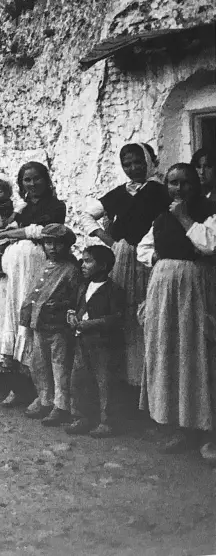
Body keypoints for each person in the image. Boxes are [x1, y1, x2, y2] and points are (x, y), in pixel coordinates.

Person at [137, 163, 216, 463]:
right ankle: (182, 428)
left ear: (195, 185)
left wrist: (184, 219)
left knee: (197, 354)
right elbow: (142, 249)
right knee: (171, 353)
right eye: (172, 183)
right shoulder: (161, 217)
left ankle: (208, 432)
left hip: (196, 288)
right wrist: (160, 257)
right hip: (164, 289)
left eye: (184, 183)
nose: (178, 189)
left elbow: (208, 245)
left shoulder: (208, 212)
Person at [79, 143, 168, 386]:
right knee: (123, 312)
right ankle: (125, 379)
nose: (133, 168)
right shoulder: (120, 192)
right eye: (127, 164)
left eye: (138, 162)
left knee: (145, 314)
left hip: (148, 258)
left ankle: (147, 379)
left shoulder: (159, 191)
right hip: (123, 257)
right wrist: (109, 240)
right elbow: (86, 215)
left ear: (150, 161)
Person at [0, 162, 67, 408]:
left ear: (46, 180)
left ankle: (39, 391)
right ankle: (16, 387)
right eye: (26, 180)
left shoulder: (56, 206)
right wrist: (11, 233)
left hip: (35, 267)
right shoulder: (21, 209)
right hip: (12, 272)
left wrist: (11, 234)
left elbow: (44, 231)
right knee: (12, 319)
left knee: (33, 323)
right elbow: (12, 228)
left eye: (36, 179)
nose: (31, 184)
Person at [18, 224, 83, 426]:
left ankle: (61, 405)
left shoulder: (71, 270)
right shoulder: (44, 266)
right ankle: (45, 399)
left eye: (58, 244)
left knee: (59, 365)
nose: (53, 248)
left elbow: (77, 298)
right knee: (40, 363)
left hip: (58, 327)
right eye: (48, 243)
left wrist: (62, 308)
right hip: (40, 323)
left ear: (67, 246)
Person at [66, 245, 125, 438]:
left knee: (104, 382)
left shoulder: (113, 290)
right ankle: (83, 417)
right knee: (80, 380)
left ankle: (107, 421)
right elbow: (78, 308)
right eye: (82, 260)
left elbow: (115, 318)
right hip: (82, 342)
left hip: (103, 344)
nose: (83, 265)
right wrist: (73, 316)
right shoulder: (84, 286)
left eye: (88, 261)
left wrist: (89, 324)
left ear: (103, 266)